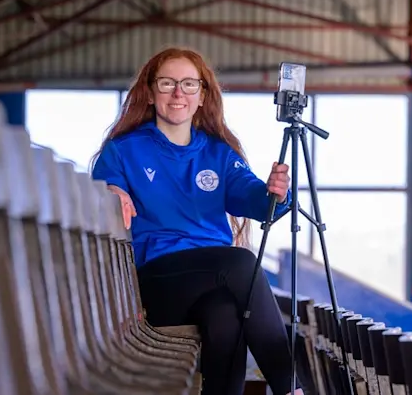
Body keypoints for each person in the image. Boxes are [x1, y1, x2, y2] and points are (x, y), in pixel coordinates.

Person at [91, 46, 304, 395]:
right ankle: (290, 388)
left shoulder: (219, 153)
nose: (179, 93)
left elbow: (254, 200)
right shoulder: (124, 150)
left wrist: (277, 194)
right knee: (241, 262)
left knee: (226, 317)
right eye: (168, 83)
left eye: (190, 84)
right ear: (150, 91)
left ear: (203, 95)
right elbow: (103, 190)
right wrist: (110, 193)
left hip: (218, 281)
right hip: (159, 281)